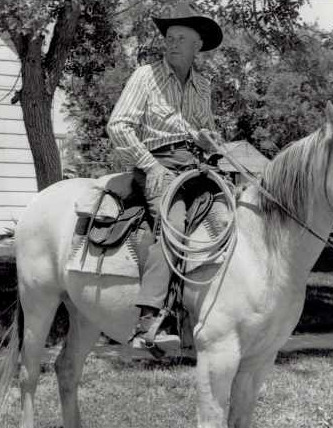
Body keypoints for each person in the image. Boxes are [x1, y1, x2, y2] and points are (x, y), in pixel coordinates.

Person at [106, 2, 223, 350]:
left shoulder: (204, 86)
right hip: (158, 164)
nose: (171, 43)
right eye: (169, 37)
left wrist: (209, 141)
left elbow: (209, 131)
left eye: (180, 38)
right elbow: (118, 126)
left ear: (197, 45)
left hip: (198, 167)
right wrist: (151, 166)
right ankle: (152, 316)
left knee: (235, 220)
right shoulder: (146, 76)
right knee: (173, 226)